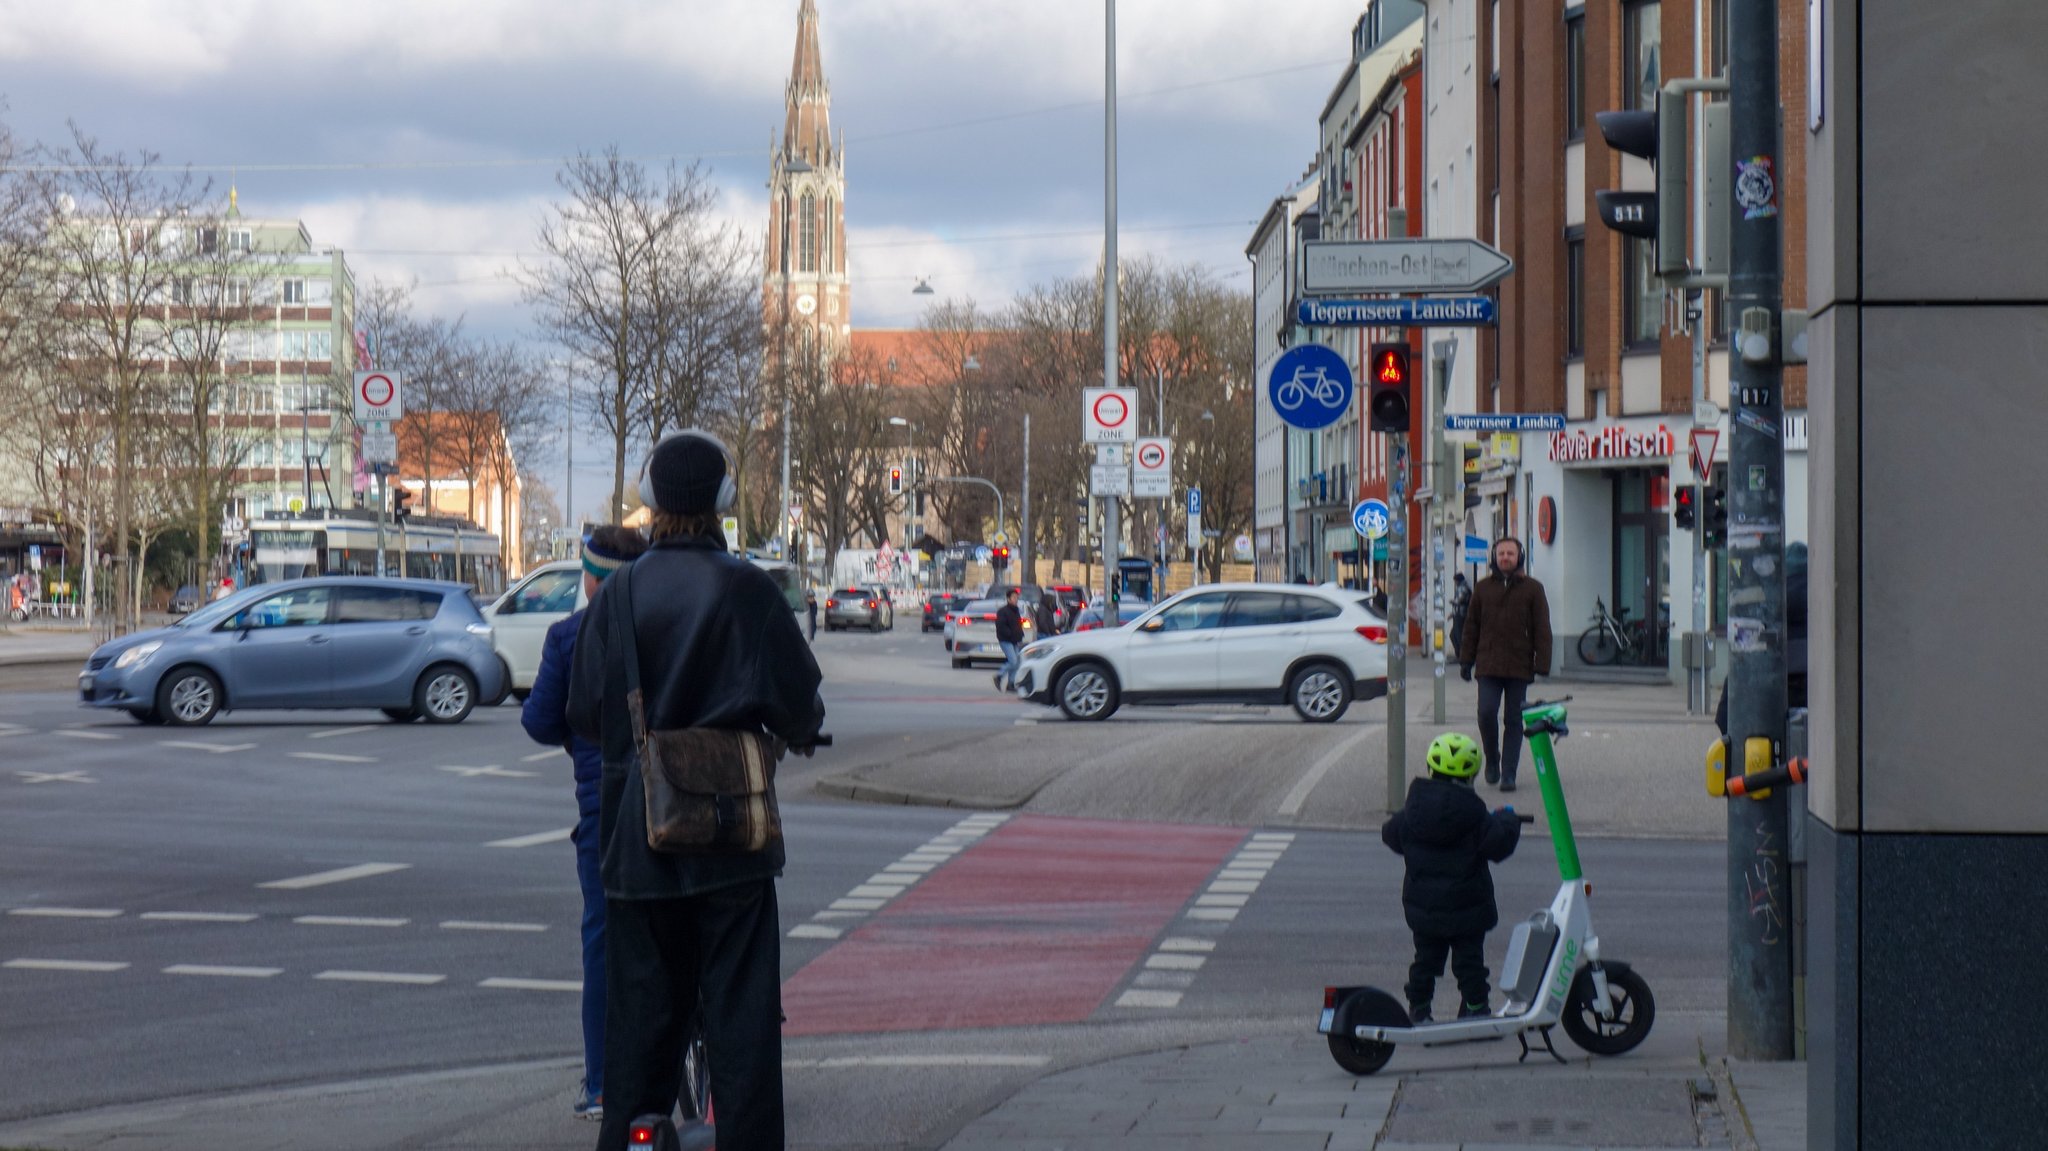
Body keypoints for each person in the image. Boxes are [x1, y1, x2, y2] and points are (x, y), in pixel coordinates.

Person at [567, 429, 825, 1151]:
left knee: (639, 1025)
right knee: (742, 1022)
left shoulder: (617, 598)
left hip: (636, 845)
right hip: (729, 841)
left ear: (649, 503)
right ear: (723, 502)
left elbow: (586, 712)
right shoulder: (749, 590)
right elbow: (801, 705)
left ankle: (631, 1133)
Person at [519, 525, 647, 1121]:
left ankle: (602, 1086)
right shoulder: (665, 628)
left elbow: (540, 723)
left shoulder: (567, 637)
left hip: (603, 809)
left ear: (589, 580)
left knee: (603, 939)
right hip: (678, 799)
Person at [1381, 732, 1523, 1024]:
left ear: (1431, 768)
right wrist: (1508, 819)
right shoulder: (1476, 816)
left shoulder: (1412, 811)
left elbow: (1391, 835)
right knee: (1469, 961)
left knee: (1426, 961)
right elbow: (1499, 846)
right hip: (1467, 907)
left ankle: (1419, 1007)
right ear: (1471, 775)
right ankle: (1475, 1006)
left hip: (1425, 907)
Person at [1455, 538, 1552, 792]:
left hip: (1519, 665)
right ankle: (1492, 760)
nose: (1505, 557)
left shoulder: (1533, 589)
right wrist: (1466, 660)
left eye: (1510, 553)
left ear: (1519, 556)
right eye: (1501, 553)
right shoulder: (1483, 588)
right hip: (1488, 663)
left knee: (1513, 720)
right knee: (1486, 713)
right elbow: (1471, 626)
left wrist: (1542, 663)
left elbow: (1542, 628)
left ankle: (1509, 772)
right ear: (1494, 557)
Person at [993, 587, 1025, 692]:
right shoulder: (1003, 611)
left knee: (1017, 662)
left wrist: (1020, 634)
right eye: (1014, 597)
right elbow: (1001, 626)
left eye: (1017, 597)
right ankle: (999, 676)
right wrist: (1010, 634)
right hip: (1006, 640)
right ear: (1008, 599)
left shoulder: (1016, 611)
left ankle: (1011, 684)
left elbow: (1017, 625)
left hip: (1015, 640)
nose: (1016, 599)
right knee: (1013, 661)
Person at [1449, 573, 1472, 657]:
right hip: (1458, 614)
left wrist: (1452, 601)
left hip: (1461, 615)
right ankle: (1459, 654)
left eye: (1455, 581)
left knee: (1458, 636)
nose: (1454, 583)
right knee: (1453, 635)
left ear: (1458, 580)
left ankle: (1462, 655)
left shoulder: (1463, 588)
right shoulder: (1461, 588)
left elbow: (1459, 601)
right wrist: (1452, 614)